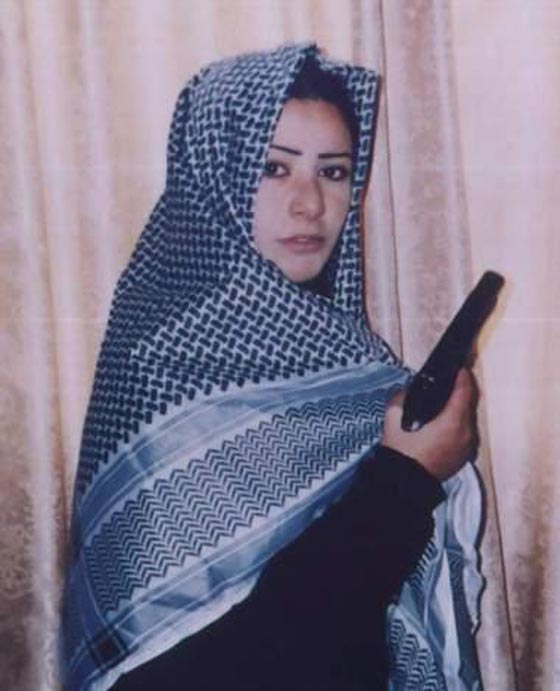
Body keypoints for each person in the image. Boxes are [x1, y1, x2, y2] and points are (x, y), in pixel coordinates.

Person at [62, 44, 483, 691]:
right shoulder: (166, 375)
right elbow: (205, 666)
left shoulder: (353, 364)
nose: (310, 202)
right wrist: (405, 479)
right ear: (216, 182)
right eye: (273, 168)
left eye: (333, 172)